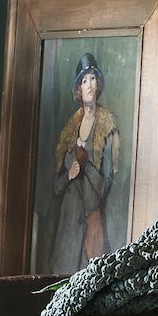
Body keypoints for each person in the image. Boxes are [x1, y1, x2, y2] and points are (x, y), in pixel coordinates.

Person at [45, 53, 120, 272]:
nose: (89, 85)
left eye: (93, 79)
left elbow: (109, 180)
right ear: (78, 88)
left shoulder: (108, 125)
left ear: (98, 85)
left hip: (91, 220)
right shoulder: (69, 129)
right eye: (84, 80)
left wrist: (92, 197)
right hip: (67, 225)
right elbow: (56, 187)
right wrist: (69, 175)